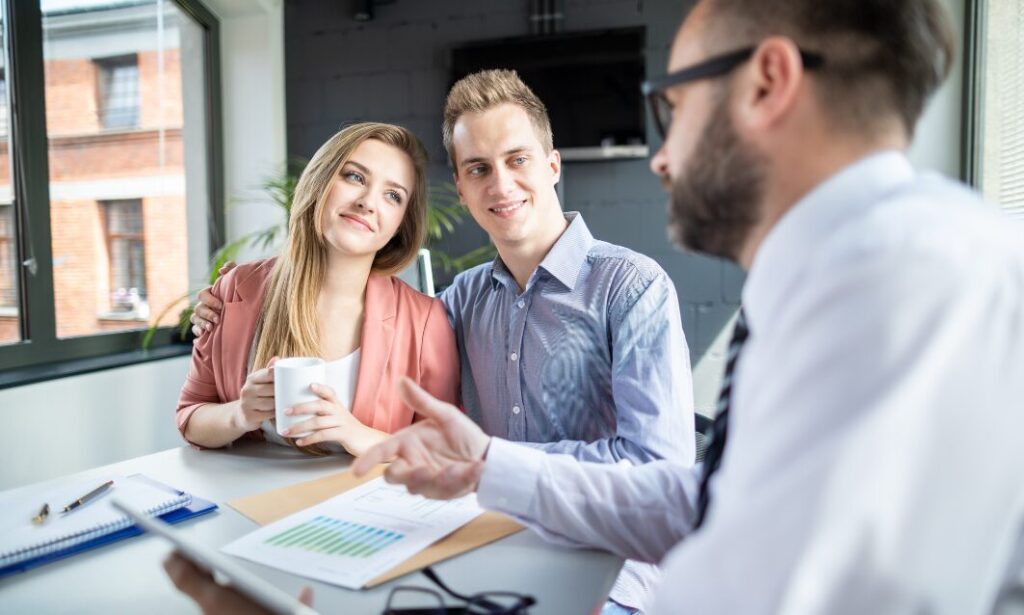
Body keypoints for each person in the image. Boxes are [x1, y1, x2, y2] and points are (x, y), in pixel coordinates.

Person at [170, 0, 1024, 612]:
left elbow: (754, 574)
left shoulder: (908, 281)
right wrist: (484, 463)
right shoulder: (829, 272)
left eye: (673, 107)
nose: (661, 156)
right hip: (503, 546)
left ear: (768, 83)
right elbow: (708, 503)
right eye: (473, 169)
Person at [193, 70, 695, 612]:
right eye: (478, 168)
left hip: (608, 562)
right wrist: (218, 307)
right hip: (479, 544)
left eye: (518, 159)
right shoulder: (462, 301)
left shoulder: (632, 287)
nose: (500, 184)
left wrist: (490, 462)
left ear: (552, 166)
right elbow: (392, 335)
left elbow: (656, 471)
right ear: (461, 187)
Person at [175, 122, 459, 457]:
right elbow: (190, 416)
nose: (368, 202)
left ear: (401, 225)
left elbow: (447, 447)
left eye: (393, 196)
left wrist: (360, 435)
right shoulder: (237, 289)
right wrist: (240, 413)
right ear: (321, 180)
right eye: (355, 177)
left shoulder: (426, 321)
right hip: (258, 504)